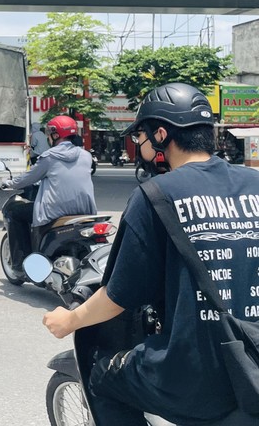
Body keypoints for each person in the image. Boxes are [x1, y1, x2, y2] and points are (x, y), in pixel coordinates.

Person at [42, 83, 259, 425]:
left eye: (140, 135)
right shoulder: (254, 183)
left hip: (194, 379)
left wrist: (68, 320)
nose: (138, 143)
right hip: (254, 364)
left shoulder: (156, 195)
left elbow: (118, 297)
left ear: (160, 134)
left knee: (101, 378)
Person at [1, 115, 96, 270]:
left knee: (14, 212)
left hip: (55, 211)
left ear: (55, 135)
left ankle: (19, 265)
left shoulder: (49, 157)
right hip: (85, 210)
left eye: (49, 134)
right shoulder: (86, 156)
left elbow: (27, 178)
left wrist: (8, 183)